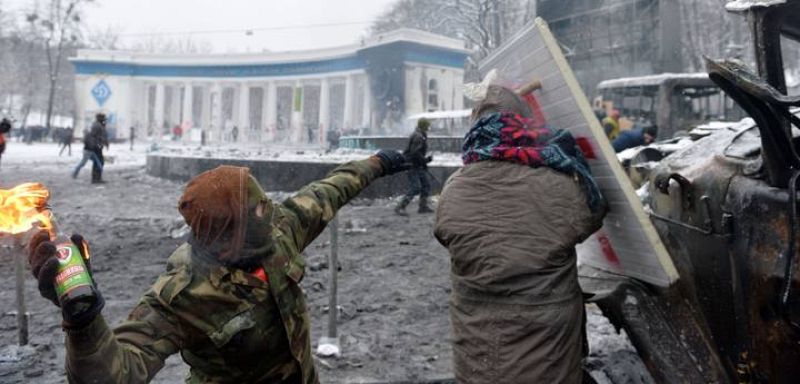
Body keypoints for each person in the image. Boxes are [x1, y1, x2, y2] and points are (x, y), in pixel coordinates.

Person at [27, 149, 409, 383]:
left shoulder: (279, 231)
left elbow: (330, 188)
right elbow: (116, 374)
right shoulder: (181, 296)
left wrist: (378, 162)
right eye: (259, 206)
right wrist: (82, 320)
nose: (271, 209)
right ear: (232, 231)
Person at [434, 84, 607, 383]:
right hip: (546, 345)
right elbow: (594, 214)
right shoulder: (558, 184)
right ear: (524, 125)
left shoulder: (453, 188)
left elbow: (445, 231)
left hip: (477, 344)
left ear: (476, 129)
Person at [394, 118, 434, 215]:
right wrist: (425, 160)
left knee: (426, 185)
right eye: (428, 125)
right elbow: (414, 152)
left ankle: (423, 207)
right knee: (416, 187)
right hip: (412, 165)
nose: (429, 127)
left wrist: (423, 163)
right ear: (424, 126)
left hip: (417, 165)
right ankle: (400, 207)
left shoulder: (420, 135)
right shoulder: (418, 137)